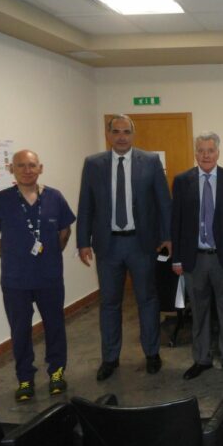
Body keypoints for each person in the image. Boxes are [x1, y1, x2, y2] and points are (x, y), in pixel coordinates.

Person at [76, 114, 172, 381]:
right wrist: (83, 241)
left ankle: (152, 354)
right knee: (109, 303)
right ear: (108, 134)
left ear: (133, 134)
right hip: (108, 246)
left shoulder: (150, 161)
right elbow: (86, 204)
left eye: (126, 132)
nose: (121, 136)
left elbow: (164, 202)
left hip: (142, 244)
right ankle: (110, 358)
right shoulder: (93, 164)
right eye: (116, 131)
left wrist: (167, 236)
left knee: (147, 300)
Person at [0, 150, 75, 402]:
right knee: (20, 330)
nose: (27, 170)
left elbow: (64, 232)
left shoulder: (55, 197)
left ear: (40, 168)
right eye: (21, 165)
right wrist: (12, 258)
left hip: (49, 277)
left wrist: (49, 256)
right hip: (15, 280)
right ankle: (25, 378)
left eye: (32, 165)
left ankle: (56, 372)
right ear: (11, 169)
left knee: (55, 326)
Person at [171, 132, 223, 380]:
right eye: (201, 151)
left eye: (210, 150)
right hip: (194, 259)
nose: (206, 155)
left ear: (218, 153)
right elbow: (176, 221)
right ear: (196, 153)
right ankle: (201, 359)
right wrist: (177, 258)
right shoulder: (182, 181)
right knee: (199, 312)